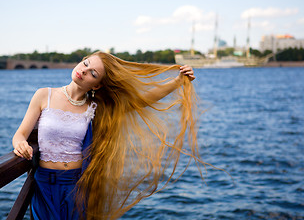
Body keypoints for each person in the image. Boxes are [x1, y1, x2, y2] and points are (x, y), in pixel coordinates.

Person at [12, 51, 199, 220]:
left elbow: (143, 100)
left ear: (98, 84)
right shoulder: (44, 95)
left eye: (93, 73)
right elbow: (20, 134)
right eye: (86, 64)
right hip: (44, 183)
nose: (84, 71)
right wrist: (21, 144)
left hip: (77, 185)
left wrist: (177, 81)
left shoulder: (95, 108)